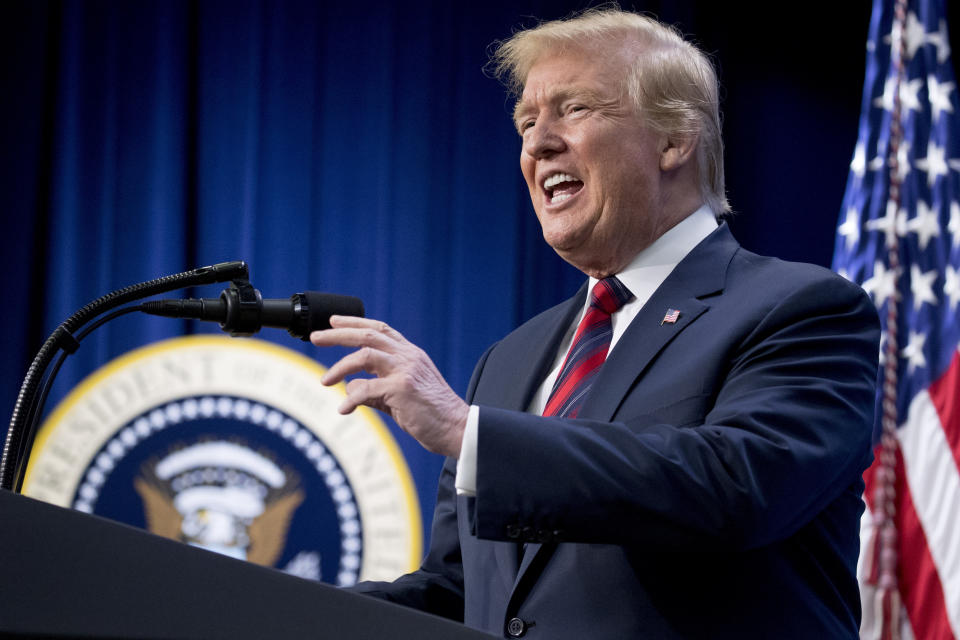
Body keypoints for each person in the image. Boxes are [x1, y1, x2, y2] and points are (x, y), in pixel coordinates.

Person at [310, 8, 879, 639]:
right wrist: (278, 611)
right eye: (527, 121)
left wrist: (464, 431)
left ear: (674, 138)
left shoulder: (803, 310)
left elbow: (733, 487)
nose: (536, 143)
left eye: (573, 110)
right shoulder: (511, 360)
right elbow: (466, 594)